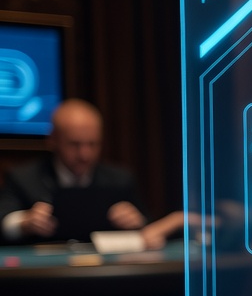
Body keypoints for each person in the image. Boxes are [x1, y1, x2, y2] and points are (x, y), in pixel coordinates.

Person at [0, 99, 146, 242]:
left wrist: (136, 222)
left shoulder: (119, 180)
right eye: (74, 144)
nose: (84, 155)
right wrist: (24, 222)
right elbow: (4, 221)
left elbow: (147, 225)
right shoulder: (24, 178)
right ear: (53, 140)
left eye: (92, 144)